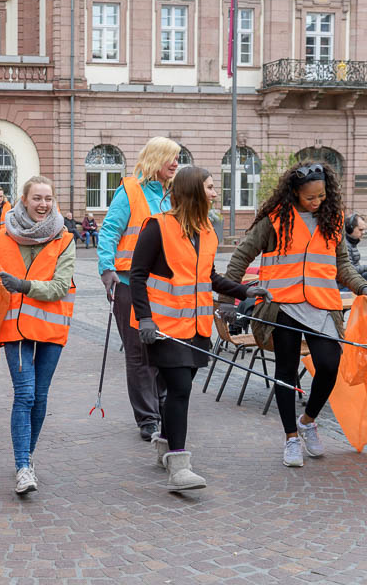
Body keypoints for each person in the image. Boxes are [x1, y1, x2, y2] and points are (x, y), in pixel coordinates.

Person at [130, 167, 269, 490]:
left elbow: (209, 277)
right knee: (180, 389)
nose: (215, 193)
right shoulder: (157, 227)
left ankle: (165, 446)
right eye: (209, 187)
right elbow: (137, 276)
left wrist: (244, 290)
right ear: (193, 191)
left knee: (177, 389)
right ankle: (179, 466)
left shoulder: (206, 230)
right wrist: (145, 318)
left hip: (197, 328)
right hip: (164, 329)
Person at [223, 161, 367, 468]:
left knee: (329, 364)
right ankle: (290, 437)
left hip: (322, 305)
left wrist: (361, 286)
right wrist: (227, 299)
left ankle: (307, 421)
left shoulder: (333, 218)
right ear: (294, 193)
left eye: (321, 196)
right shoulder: (274, 220)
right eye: (310, 197)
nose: (317, 202)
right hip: (282, 306)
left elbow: (342, 264)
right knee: (286, 372)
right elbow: (240, 257)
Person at [0, 176, 75, 495]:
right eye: (37, 198)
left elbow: (60, 286)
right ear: (24, 200)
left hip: (51, 328)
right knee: (26, 394)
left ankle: (27, 457)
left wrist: (24, 286)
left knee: (40, 396)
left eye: (48, 198)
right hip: (15, 329)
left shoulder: (64, 239)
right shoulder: (3, 236)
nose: (43, 204)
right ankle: (22, 467)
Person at [97, 136, 180, 441]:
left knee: (164, 348)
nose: (176, 163)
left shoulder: (172, 194)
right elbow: (109, 231)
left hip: (165, 287)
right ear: (155, 158)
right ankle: (147, 417)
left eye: (178, 158)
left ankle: (162, 405)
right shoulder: (130, 190)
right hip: (129, 282)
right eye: (171, 157)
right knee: (139, 352)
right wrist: (106, 269)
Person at [344, 213, 367, 279]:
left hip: (355, 277)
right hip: (348, 281)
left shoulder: (352, 243)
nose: (363, 233)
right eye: (360, 230)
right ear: (350, 229)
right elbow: (349, 270)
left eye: (364, 230)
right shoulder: (345, 245)